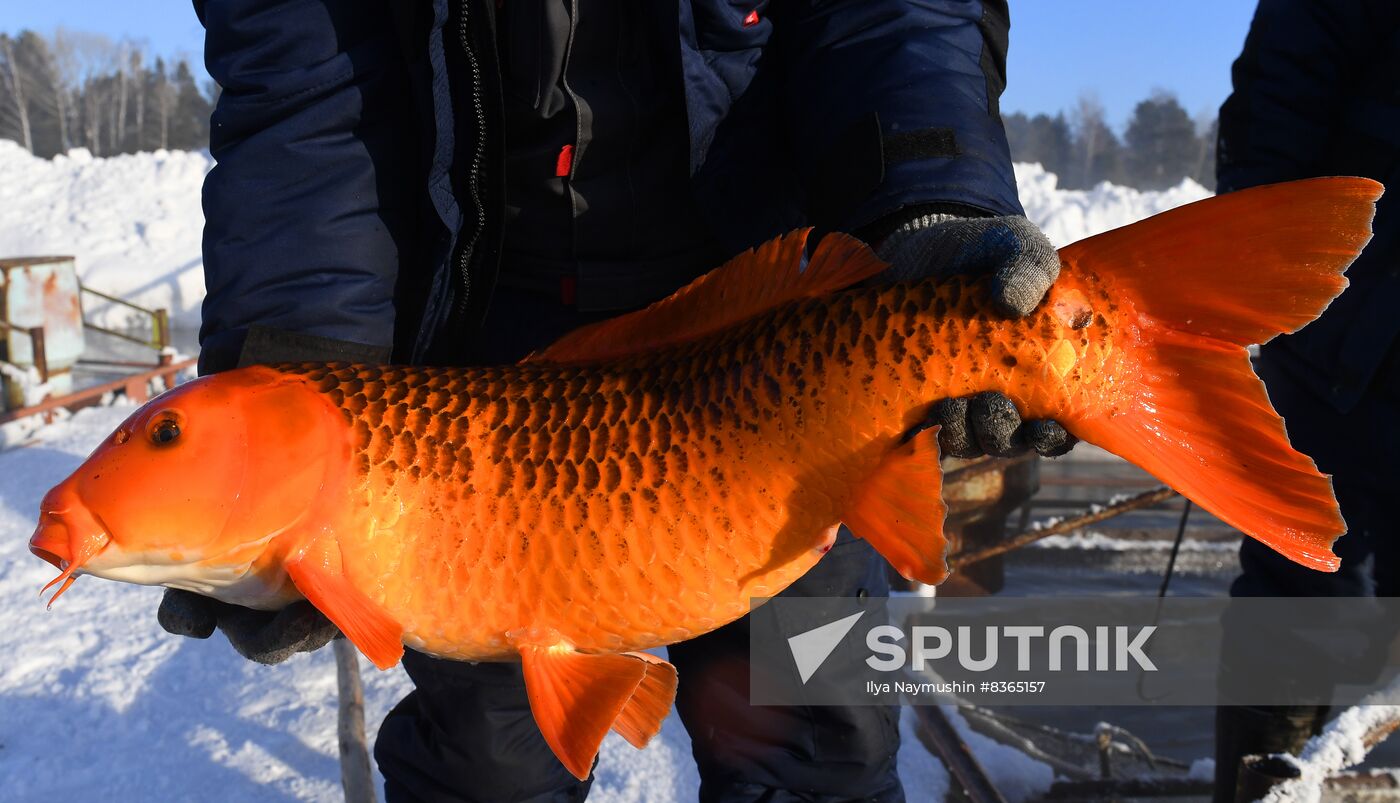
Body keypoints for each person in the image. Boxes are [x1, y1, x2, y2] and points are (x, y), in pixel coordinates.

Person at [158, 2, 1072, 801]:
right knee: (485, 759)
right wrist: (296, 364)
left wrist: (926, 189)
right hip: (484, 358)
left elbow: (888, 13)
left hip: (780, 327)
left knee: (811, 740)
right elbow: (306, 93)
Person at [1212, 2, 1400, 799]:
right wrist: (1286, 296)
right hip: (1348, 344)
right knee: (1302, 589)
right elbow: (1268, 132)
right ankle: (1267, 782)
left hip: (1342, 335)